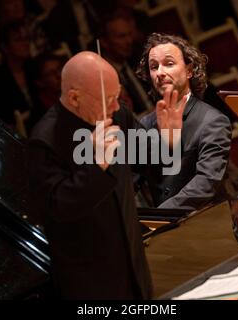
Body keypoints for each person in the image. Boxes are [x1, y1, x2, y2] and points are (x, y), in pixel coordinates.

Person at [28, 51, 186, 299]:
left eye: (117, 95)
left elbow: (152, 167)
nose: (116, 106)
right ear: (74, 97)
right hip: (91, 284)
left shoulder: (118, 115)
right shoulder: (44, 140)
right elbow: (58, 210)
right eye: (108, 99)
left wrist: (168, 141)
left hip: (135, 267)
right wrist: (96, 165)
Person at [136, 33, 231, 210]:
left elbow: (206, 183)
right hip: (162, 231)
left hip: (206, 229)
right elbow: (133, 180)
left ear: (189, 70)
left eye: (169, 64)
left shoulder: (213, 120)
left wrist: (160, 216)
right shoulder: (146, 124)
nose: (160, 73)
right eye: (154, 67)